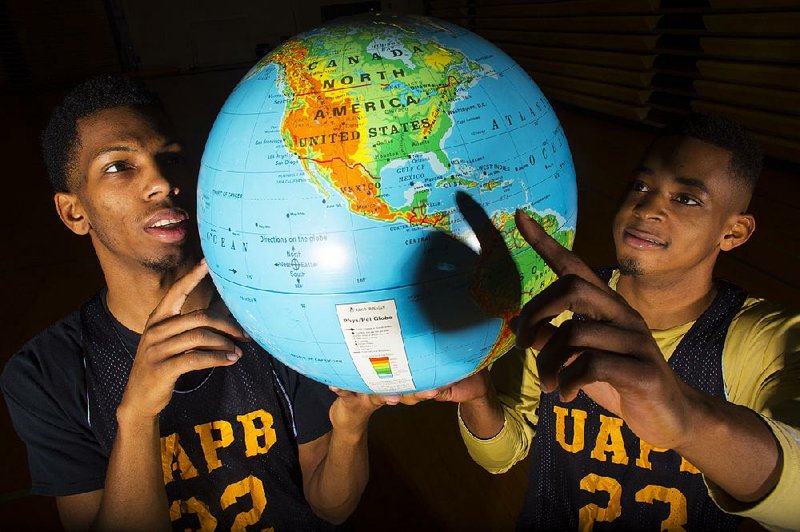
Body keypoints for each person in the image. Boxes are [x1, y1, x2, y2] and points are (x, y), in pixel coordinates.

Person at [1, 75, 395, 531]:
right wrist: (137, 415)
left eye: (171, 159)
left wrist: (350, 426)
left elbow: (331, 508)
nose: (162, 182)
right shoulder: (46, 374)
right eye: (118, 167)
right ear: (75, 212)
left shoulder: (280, 315)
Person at [424, 114, 800, 529]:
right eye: (641, 186)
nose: (648, 208)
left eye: (686, 199)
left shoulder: (769, 339)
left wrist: (687, 422)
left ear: (734, 232)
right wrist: (480, 399)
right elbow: (502, 455)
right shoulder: (561, 305)